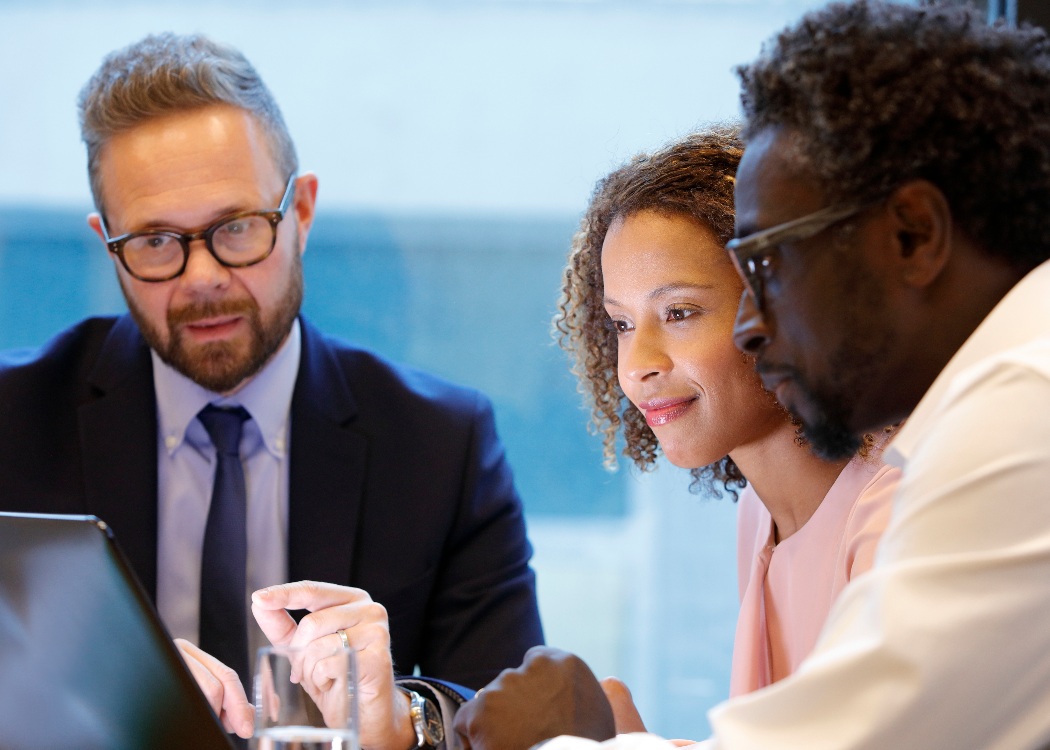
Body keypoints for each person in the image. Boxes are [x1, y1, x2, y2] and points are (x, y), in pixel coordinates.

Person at [452, 1, 1050, 748]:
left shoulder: (1024, 413)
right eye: (618, 322)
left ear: (914, 235)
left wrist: (563, 740)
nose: (753, 321)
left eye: (769, 263)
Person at [0, 33, 542, 745]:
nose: (202, 277)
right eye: (157, 242)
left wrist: (398, 719)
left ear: (303, 213)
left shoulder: (441, 444)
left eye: (237, 228)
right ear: (109, 243)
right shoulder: (11, 421)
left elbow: (507, 717)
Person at [551, 126, 896, 722]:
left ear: (789, 306)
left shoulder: (892, 513)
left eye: (679, 313)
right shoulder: (758, 515)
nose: (638, 368)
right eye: (622, 325)